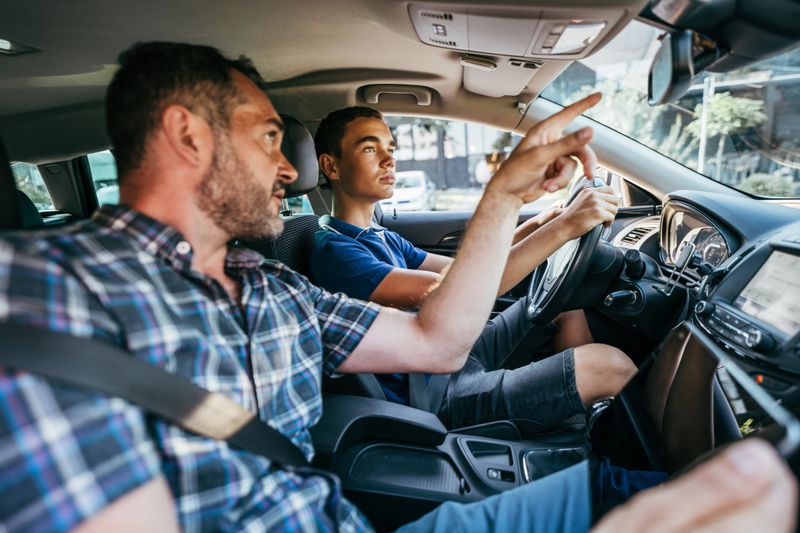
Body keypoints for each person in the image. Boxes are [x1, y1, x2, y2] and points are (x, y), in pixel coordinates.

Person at [0, 42, 795, 533]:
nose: (290, 168)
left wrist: (509, 195)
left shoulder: (274, 286)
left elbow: (438, 340)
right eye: (272, 136)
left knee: (754, 480)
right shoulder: (47, 291)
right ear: (187, 134)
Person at [310, 106, 636, 430]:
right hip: (434, 394)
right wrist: (565, 227)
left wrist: (542, 221)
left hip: (455, 352)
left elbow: (464, 268)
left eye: (390, 148)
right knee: (609, 366)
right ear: (331, 166)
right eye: (370, 148)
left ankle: (581, 424)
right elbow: (459, 289)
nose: (388, 159)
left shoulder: (382, 236)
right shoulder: (336, 251)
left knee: (565, 306)